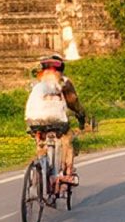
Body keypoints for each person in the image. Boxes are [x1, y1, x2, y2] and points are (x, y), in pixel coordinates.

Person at [24, 53, 87, 187]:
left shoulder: (36, 83)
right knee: (67, 138)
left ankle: (40, 164)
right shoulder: (63, 81)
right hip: (57, 120)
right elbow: (73, 101)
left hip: (33, 119)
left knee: (41, 141)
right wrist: (81, 115)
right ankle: (66, 173)